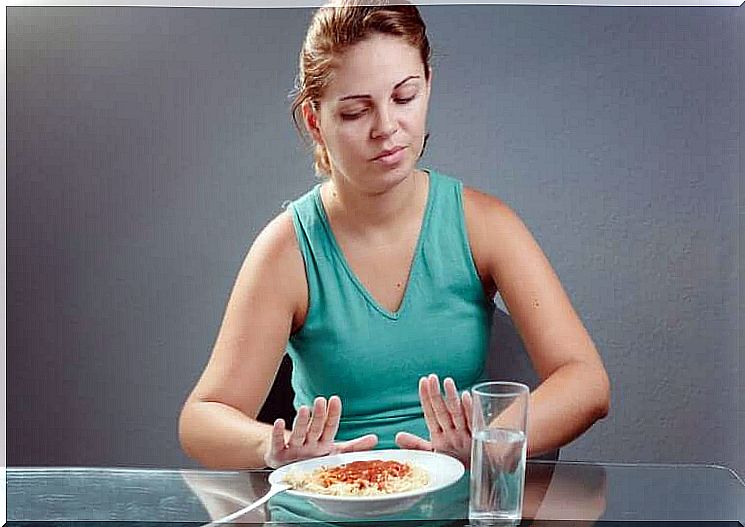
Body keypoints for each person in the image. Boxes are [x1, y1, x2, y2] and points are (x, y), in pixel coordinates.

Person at [178, 0, 610, 472]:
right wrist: (271, 449)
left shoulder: (486, 225)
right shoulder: (288, 250)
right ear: (314, 121)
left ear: (428, 86)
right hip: (333, 508)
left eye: (404, 98)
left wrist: (490, 440)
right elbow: (202, 419)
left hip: (461, 508)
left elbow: (587, 383)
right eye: (355, 112)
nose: (387, 128)